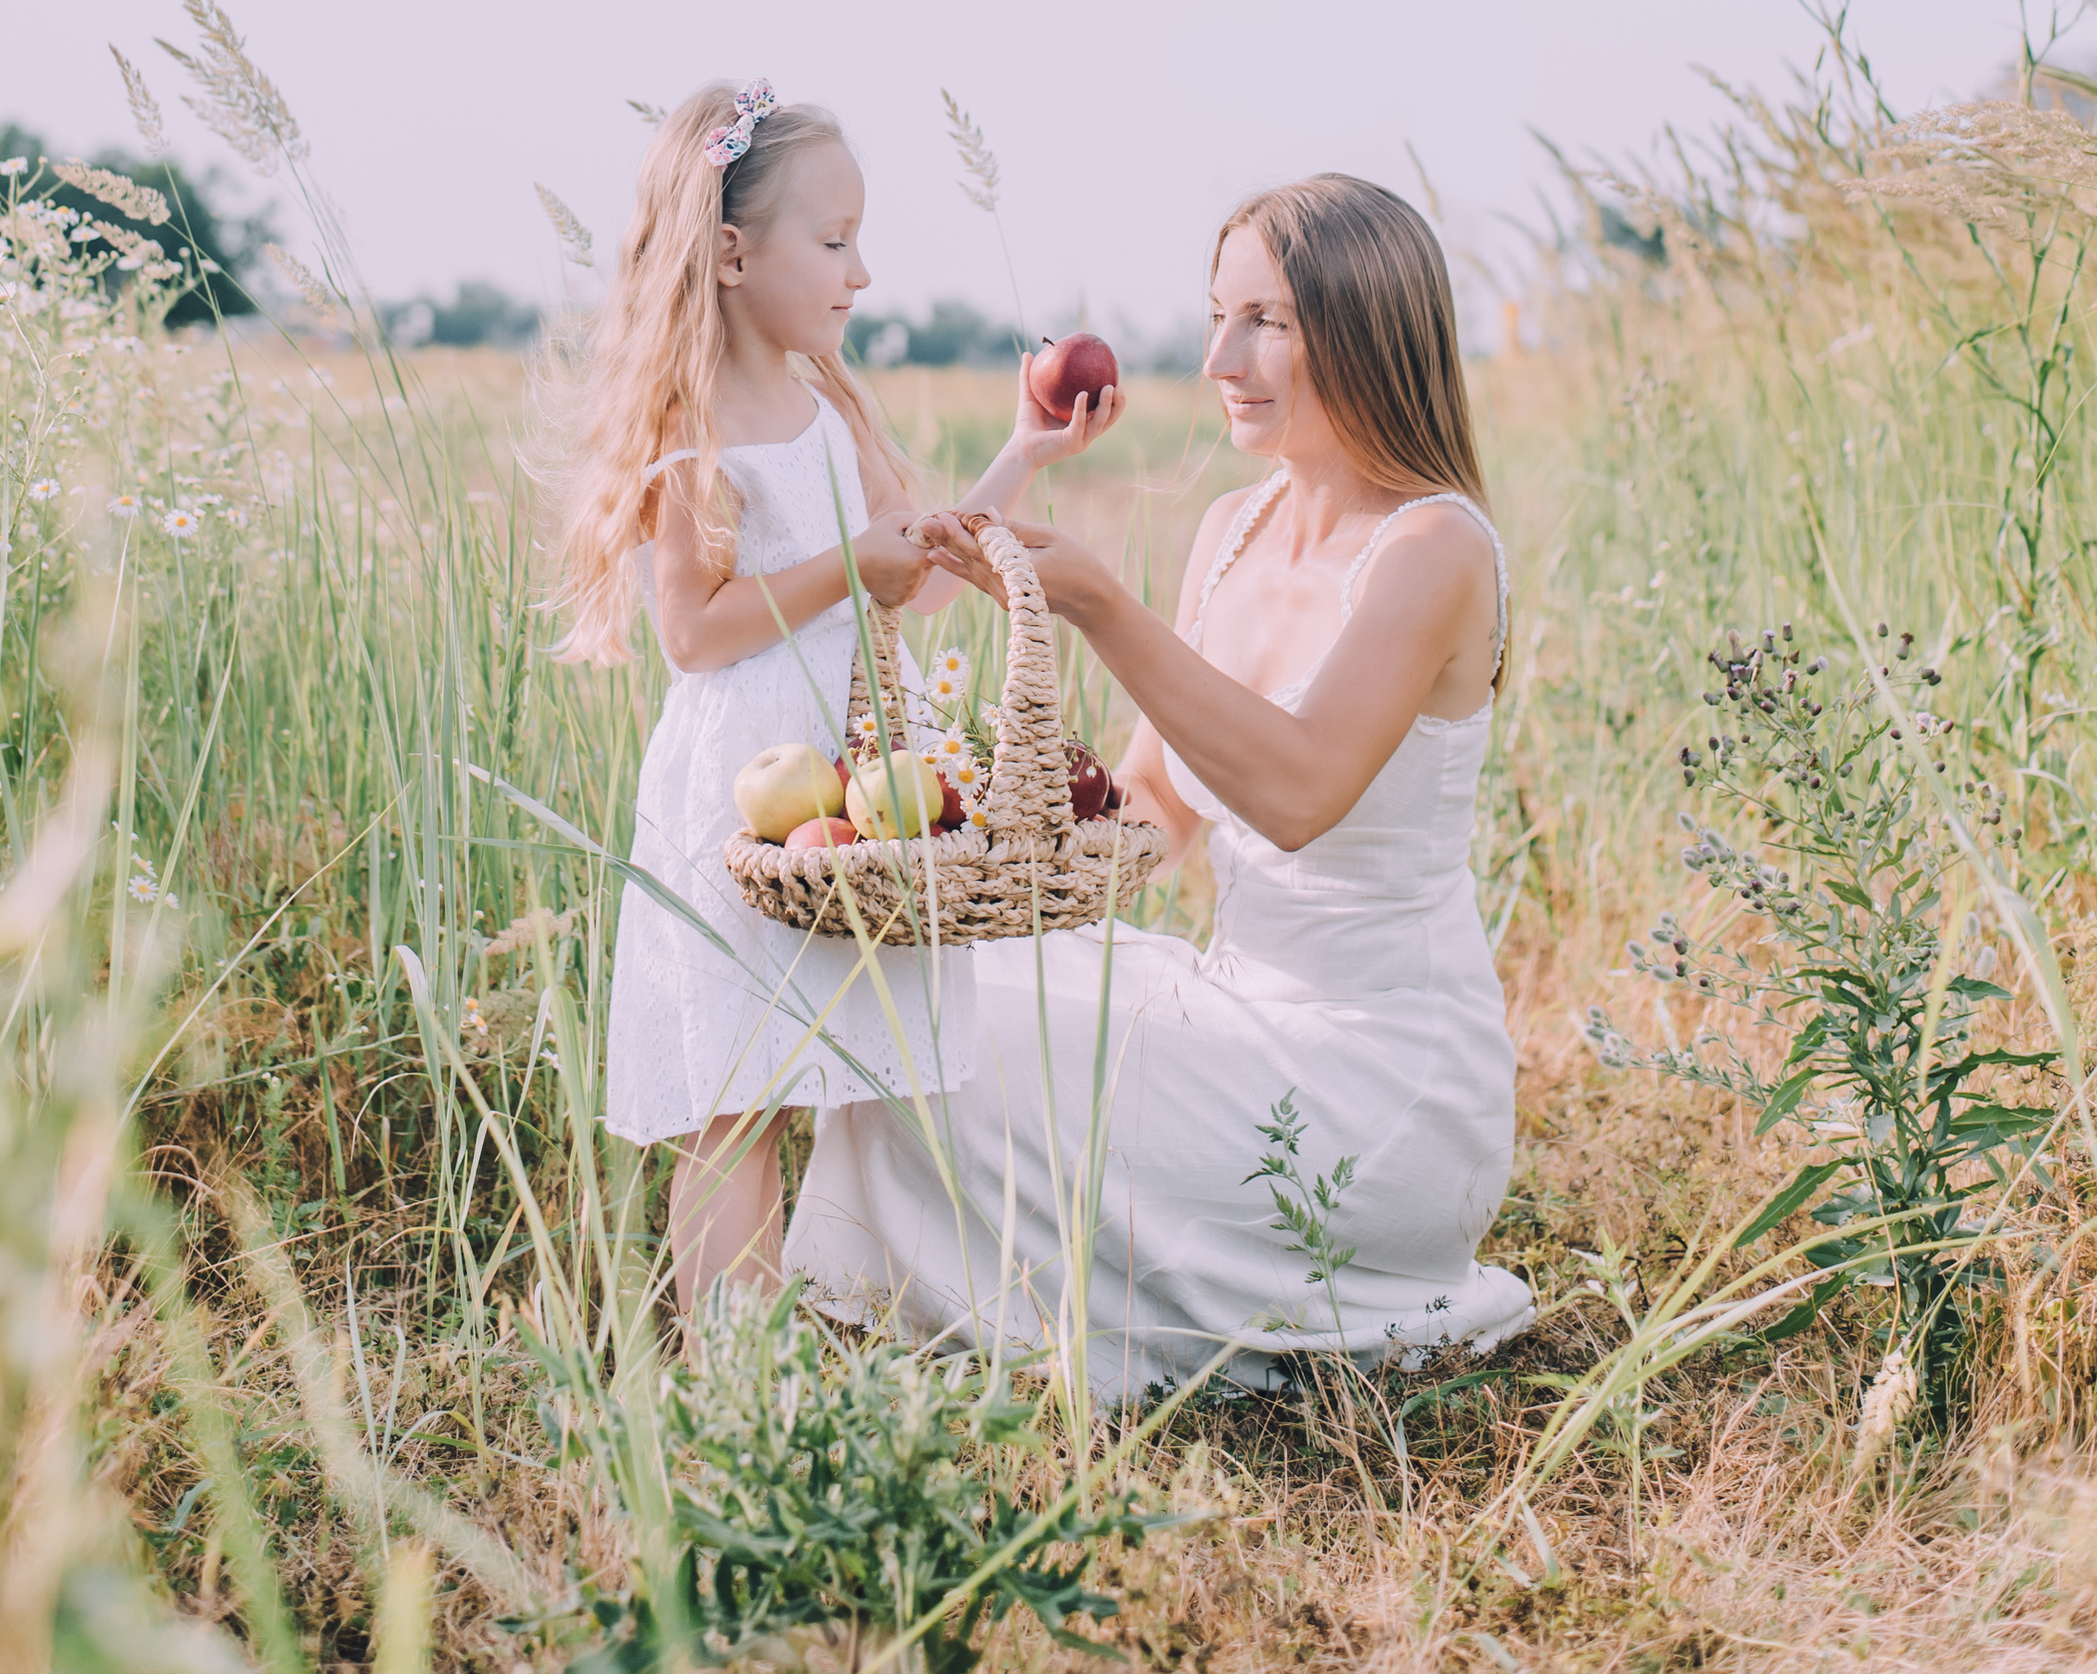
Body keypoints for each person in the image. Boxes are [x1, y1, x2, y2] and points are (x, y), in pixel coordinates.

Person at [785, 172, 1535, 1396]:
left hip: (1376, 1076)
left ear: (1364, 325)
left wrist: (1099, 606)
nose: (1219, 359)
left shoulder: (1434, 545)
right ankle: (908, 1307)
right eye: (1216, 314)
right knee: (923, 1001)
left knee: (970, 1060)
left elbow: (1297, 794)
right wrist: (965, 849)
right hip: (1235, 1007)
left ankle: (1009, 1312)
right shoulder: (1232, 527)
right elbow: (1152, 804)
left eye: (1267, 321)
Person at [561, 83, 1122, 1315]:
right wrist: (844, 570)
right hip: (746, 792)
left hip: (852, 788)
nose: (860, 271)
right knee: (738, 1100)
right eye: (832, 239)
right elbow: (694, 632)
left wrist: (1021, 453)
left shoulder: (830, 405)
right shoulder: (693, 426)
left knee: (822, 1071)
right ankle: (732, 1374)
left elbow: (920, 575)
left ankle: (822, 1323)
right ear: (729, 253)